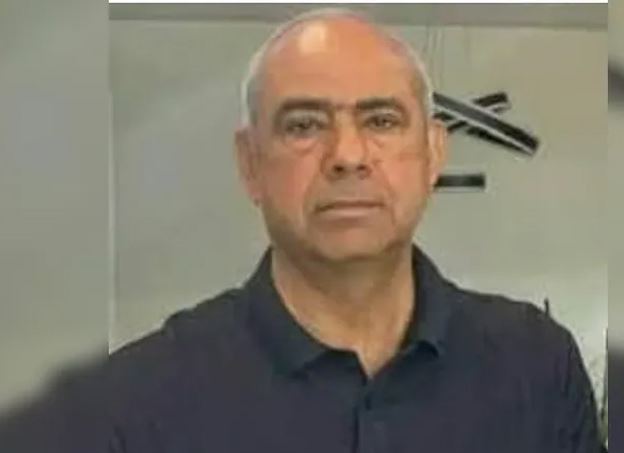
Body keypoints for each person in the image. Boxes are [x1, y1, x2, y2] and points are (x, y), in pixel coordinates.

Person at [0, 8, 601, 453]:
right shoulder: (136, 403)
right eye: (304, 125)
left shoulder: (537, 368)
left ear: (433, 155)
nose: (348, 155)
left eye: (381, 120)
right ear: (250, 164)